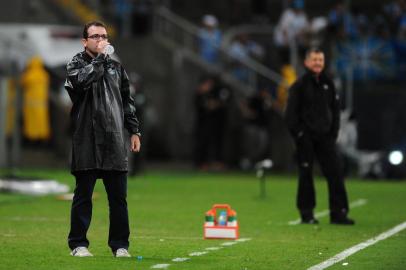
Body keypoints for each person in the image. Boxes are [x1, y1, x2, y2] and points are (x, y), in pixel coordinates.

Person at [65, 21, 141, 257]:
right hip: (86, 138)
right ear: (84, 41)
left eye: (104, 36)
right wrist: (99, 60)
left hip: (114, 139)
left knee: (118, 199)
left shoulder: (117, 68)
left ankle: (120, 246)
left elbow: (127, 101)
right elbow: (81, 83)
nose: (101, 40)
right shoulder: (75, 64)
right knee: (83, 196)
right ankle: (78, 244)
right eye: (95, 36)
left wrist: (134, 130)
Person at [285, 48, 354, 225]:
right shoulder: (299, 85)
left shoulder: (328, 84)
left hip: (326, 137)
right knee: (306, 174)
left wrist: (333, 133)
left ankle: (339, 213)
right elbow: (290, 114)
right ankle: (307, 214)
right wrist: (300, 134)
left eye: (320, 60)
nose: (318, 63)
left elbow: (335, 111)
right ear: (307, 62)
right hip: (306, 137)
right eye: (314, 60)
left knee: (336, 173)